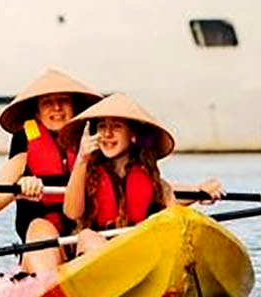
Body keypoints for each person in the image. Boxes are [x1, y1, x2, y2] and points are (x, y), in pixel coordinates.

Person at [62, 92, 224, 254]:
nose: (107, 134)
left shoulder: (152, 180)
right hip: (99, 254)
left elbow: (170, 195)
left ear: (133, 135)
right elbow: (72, 212)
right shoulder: (87, 174)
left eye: (117, 126)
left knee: (172, 221)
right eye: (102, 126)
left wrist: (202, 191)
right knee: (87, 236)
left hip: (138, 252)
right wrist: (82, 159)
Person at [0, 67, 98, 276]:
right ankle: (49, 282)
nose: (57, 108)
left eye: (63, 101)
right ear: (36, 112)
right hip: (43, 239)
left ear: (75, 107)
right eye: (48, 102)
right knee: (42, 230)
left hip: (87, 234)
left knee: (91, 235)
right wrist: (17, 190)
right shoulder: (24, 153)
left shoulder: (93, 143)